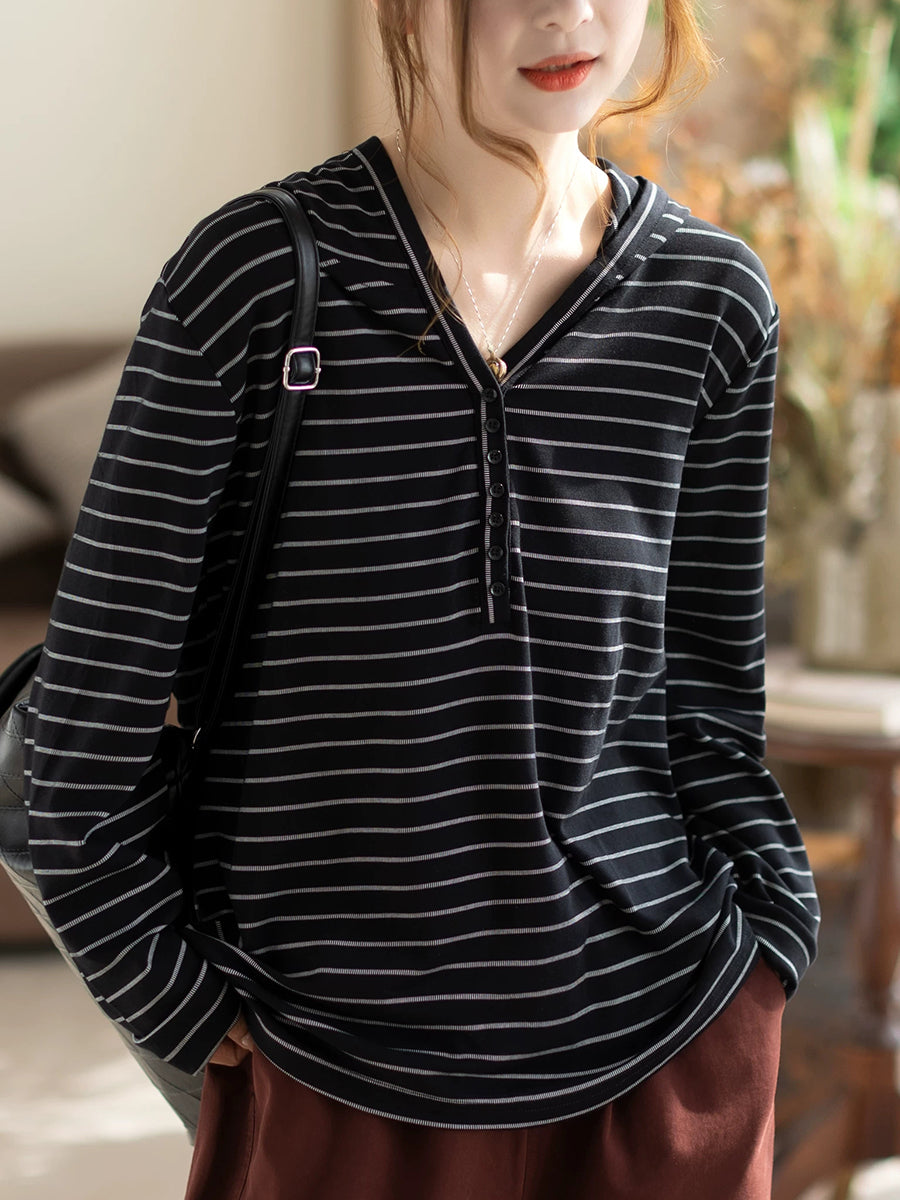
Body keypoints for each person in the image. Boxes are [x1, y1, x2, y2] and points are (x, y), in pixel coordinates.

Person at [23, 1, 820, 1197]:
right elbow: (87, 711)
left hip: (667, 1045)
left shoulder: (712, 301)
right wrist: (164, 986)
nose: (568, 14)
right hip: (327, 1060)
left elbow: (709, 705)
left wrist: (769, 942)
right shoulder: (256, 274)